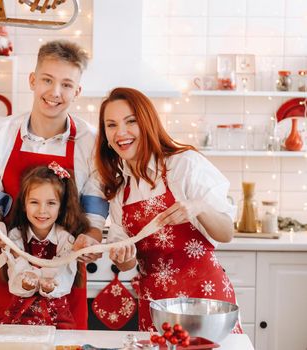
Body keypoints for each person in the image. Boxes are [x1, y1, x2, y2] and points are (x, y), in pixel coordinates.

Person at [0, 40, 109, 329]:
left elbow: (94, 214)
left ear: (77, 91)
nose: (55, 92)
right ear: (33, 80)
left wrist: (91, 239)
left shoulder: (91, 141)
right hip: (7, 276)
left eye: (66, 84)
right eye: (47, 80)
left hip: (64, 283)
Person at [96, 87, 242, 332]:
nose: (120, 132)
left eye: (130, 121)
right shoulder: (122, 191)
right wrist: (124, 256)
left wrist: (198, 207)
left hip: (204, 303)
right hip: (156, 307)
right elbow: (126, 264)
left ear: (147, 123)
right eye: (111, 125)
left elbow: (226, 233)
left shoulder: (184, 165)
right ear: (106, 138)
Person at [0, 162, 89, 328]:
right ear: (24, 205)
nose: (42, 211)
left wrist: (48, 287)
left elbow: (64, 277)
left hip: (57, 318)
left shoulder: (66, 239)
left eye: (51, 203)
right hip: (20, 316)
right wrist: (26, 283)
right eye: (34, 202)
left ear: (61, 208)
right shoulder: (15, 236)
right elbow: (16, 274)